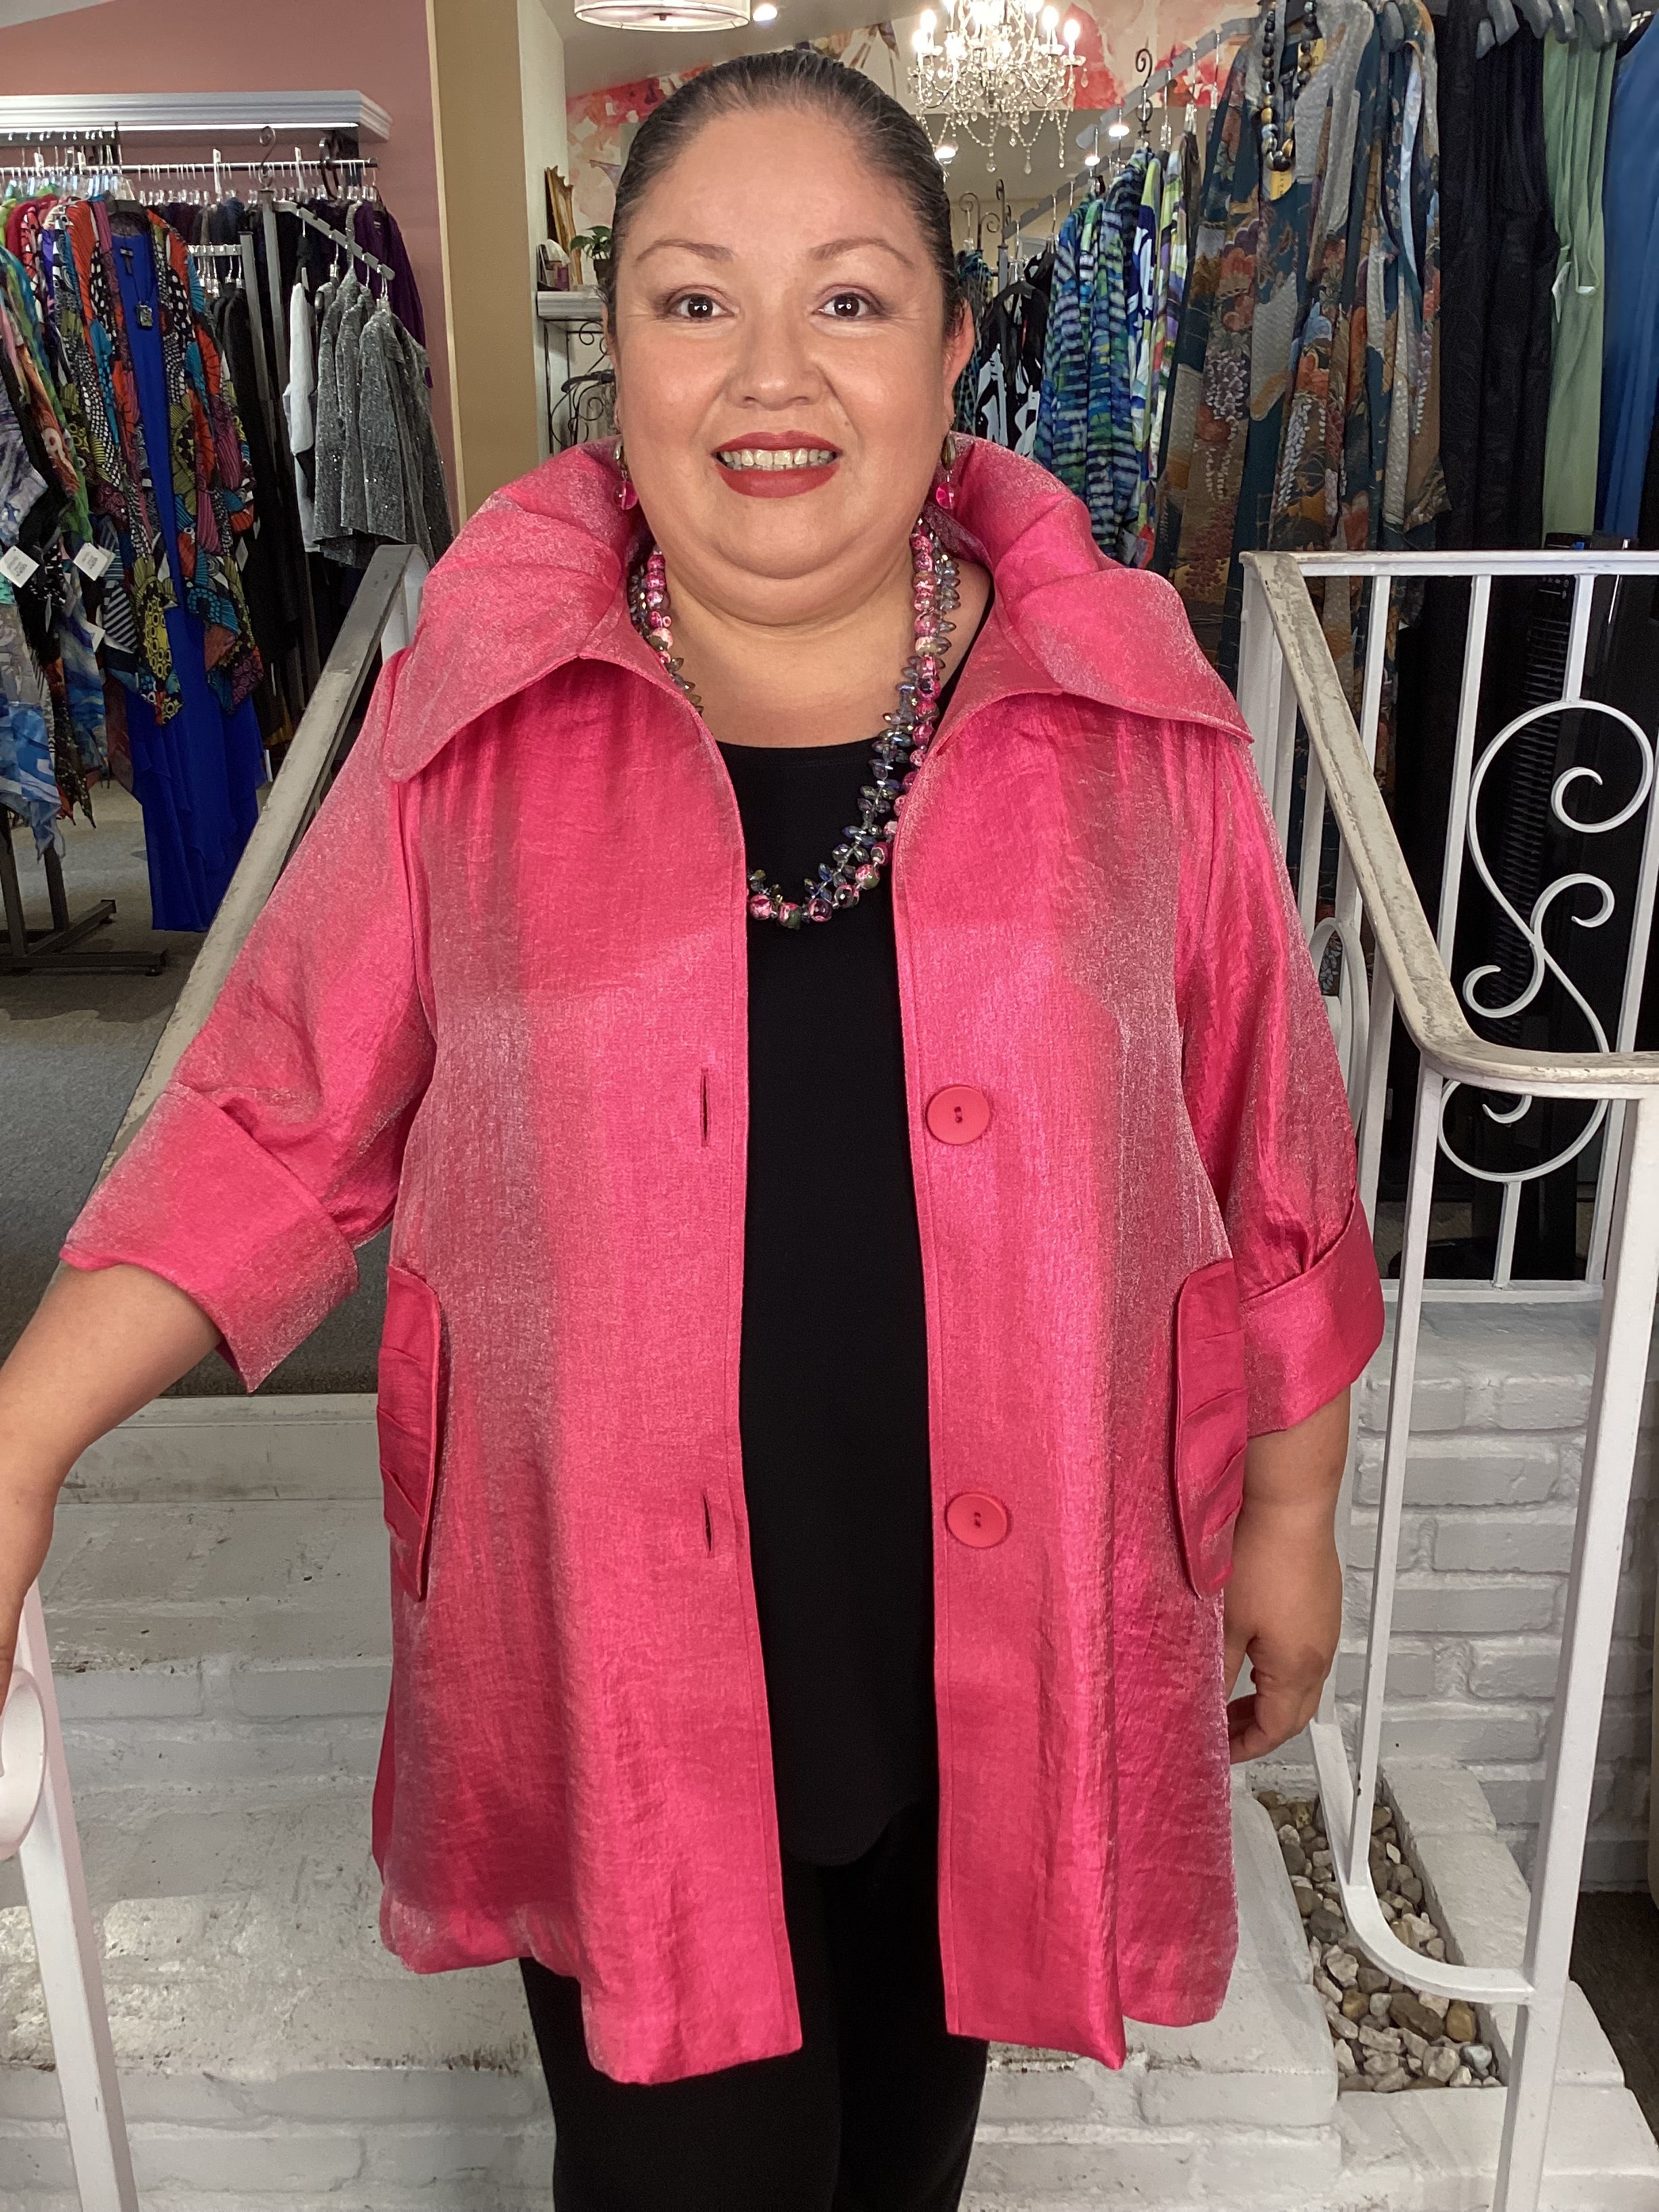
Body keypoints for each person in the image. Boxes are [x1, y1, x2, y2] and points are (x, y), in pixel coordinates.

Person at [0, 50, 1384, 2212]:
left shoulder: (1133, 721)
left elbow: (1275, 1152)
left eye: (848, 299)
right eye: (691, 299)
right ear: (616, 348)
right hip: (622, 1660)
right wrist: (19, 1442)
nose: (770, 376)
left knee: (904, 2164)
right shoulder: (475, 718)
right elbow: (271, 1119)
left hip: (994, 1651)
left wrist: (1291, 1514)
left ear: (953, 344)